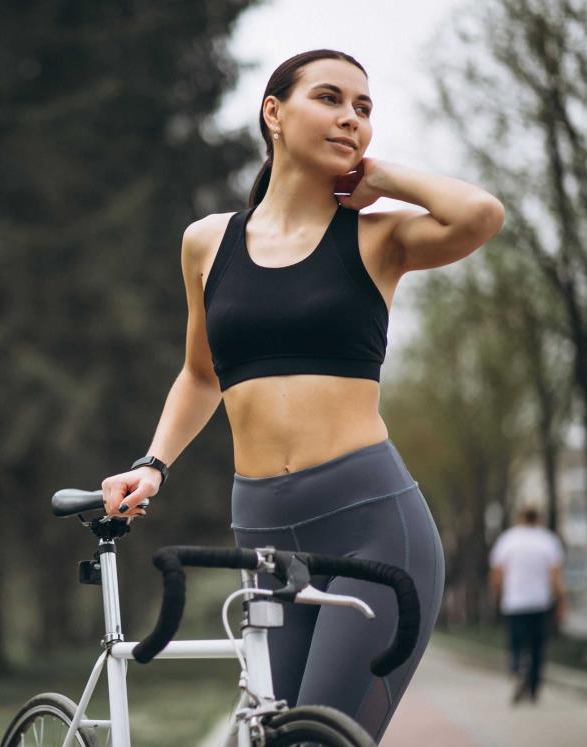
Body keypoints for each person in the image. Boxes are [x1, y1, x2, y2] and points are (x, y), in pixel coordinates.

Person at [99, 49, 505, 743]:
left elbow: (481, 214)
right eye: (330, 98)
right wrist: (154, 462)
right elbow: (202, 374)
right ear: (274, 113)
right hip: (262, 535)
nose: (350, 117)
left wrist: (382, 176)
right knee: (271, 734)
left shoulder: (380, 239)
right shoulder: (207, 242)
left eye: (364, 108)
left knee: (317, 737)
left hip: (373, 530)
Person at [488, 504, 567, 705]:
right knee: (537, 646)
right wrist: (561, 602)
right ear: (538, 518)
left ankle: (517, 669)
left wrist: (496, 595)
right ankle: (533, 689)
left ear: (520, 517)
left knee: (516, 642)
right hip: (540, 602)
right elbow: (556, 576)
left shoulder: (508, 540)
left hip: (514, 602)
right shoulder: (548, 541)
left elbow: (497, 573)